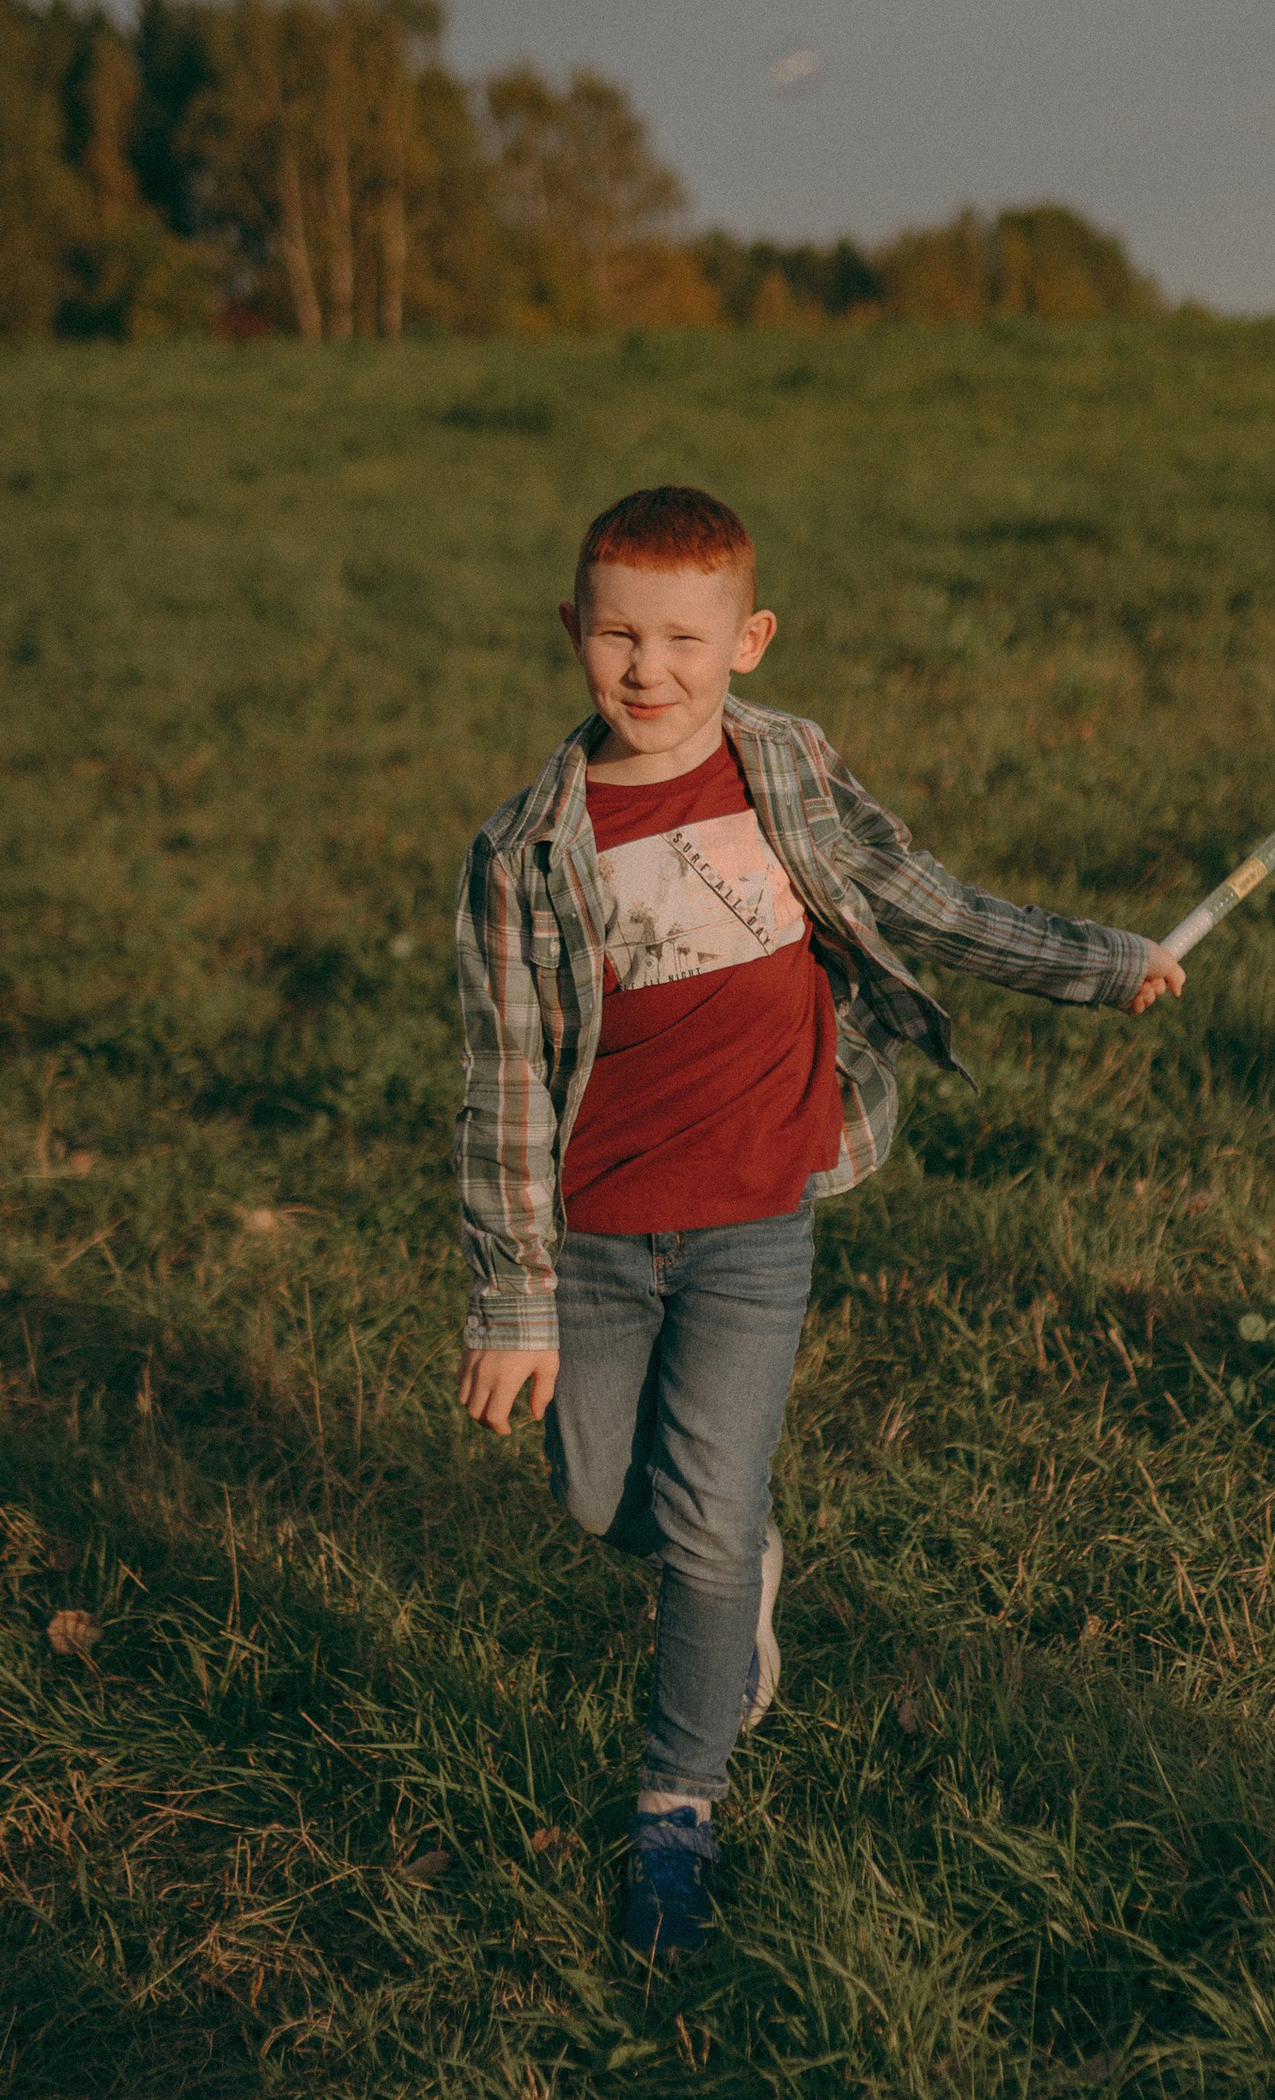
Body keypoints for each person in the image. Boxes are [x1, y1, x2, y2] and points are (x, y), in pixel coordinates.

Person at [454, 482, 1182, 1957]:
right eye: (616, 636)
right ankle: (736, 1561)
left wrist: (1098, 963)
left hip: (750, 1227)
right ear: (570, 635)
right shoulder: (525, 850)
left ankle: (676, 1811)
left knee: (707, 1525)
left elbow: (923, 902)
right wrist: (511, 1302)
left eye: (682, 638)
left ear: (750, 639)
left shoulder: (783, 769)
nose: (647, 670)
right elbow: (504, 1080)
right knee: (599, 1501)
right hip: (595, 1235)